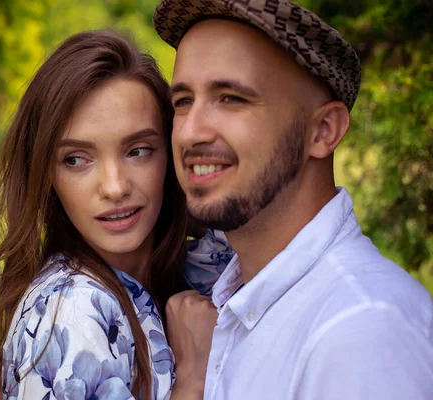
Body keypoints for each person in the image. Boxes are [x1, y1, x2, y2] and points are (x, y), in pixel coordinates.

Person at [153, 0, 433, 399]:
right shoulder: (242, 300)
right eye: (183, 102)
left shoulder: (362, 330)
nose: (189, 132)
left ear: (323, 131)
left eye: (231, 97)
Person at [0, 29, 224, 400]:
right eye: (76, 159)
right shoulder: (78, 311)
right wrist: (192, 380)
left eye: (138, 150)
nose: (114, 187)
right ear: (47, 175)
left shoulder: (192, 270)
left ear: (171, 153)